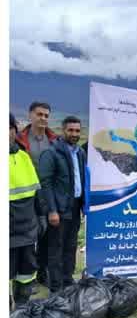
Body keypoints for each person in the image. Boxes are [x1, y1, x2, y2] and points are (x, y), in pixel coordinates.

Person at [36, 115, 86, 291]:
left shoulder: (80, 153)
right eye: (70, 130)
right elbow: (45, 184)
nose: (74, 133)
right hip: (58, 209)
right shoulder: (51, 153)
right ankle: (56, 288)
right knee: (56, 249)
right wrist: (52, 210)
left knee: (71, 246)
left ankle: (68, 281)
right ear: (62, 130)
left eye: (77, 130)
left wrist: (84, 204)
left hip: (75, 206)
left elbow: (82, 179)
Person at [16, 103, 56, 288]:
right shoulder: (19, 141)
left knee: (47, 235)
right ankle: (25, 276)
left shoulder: (54, 141)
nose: (43, 118)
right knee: (29, 237)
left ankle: (42, 272)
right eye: (39, 114)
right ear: (30, 115)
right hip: (27, 196)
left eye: (46, 115)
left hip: (48, 195)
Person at [9, 115, 47, 305]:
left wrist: (41, 216)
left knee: (26, 272)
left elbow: (36, 190)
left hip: (26, 228)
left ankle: (22, 311)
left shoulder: (24, 156)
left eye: (9, 128)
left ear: (15, 131)